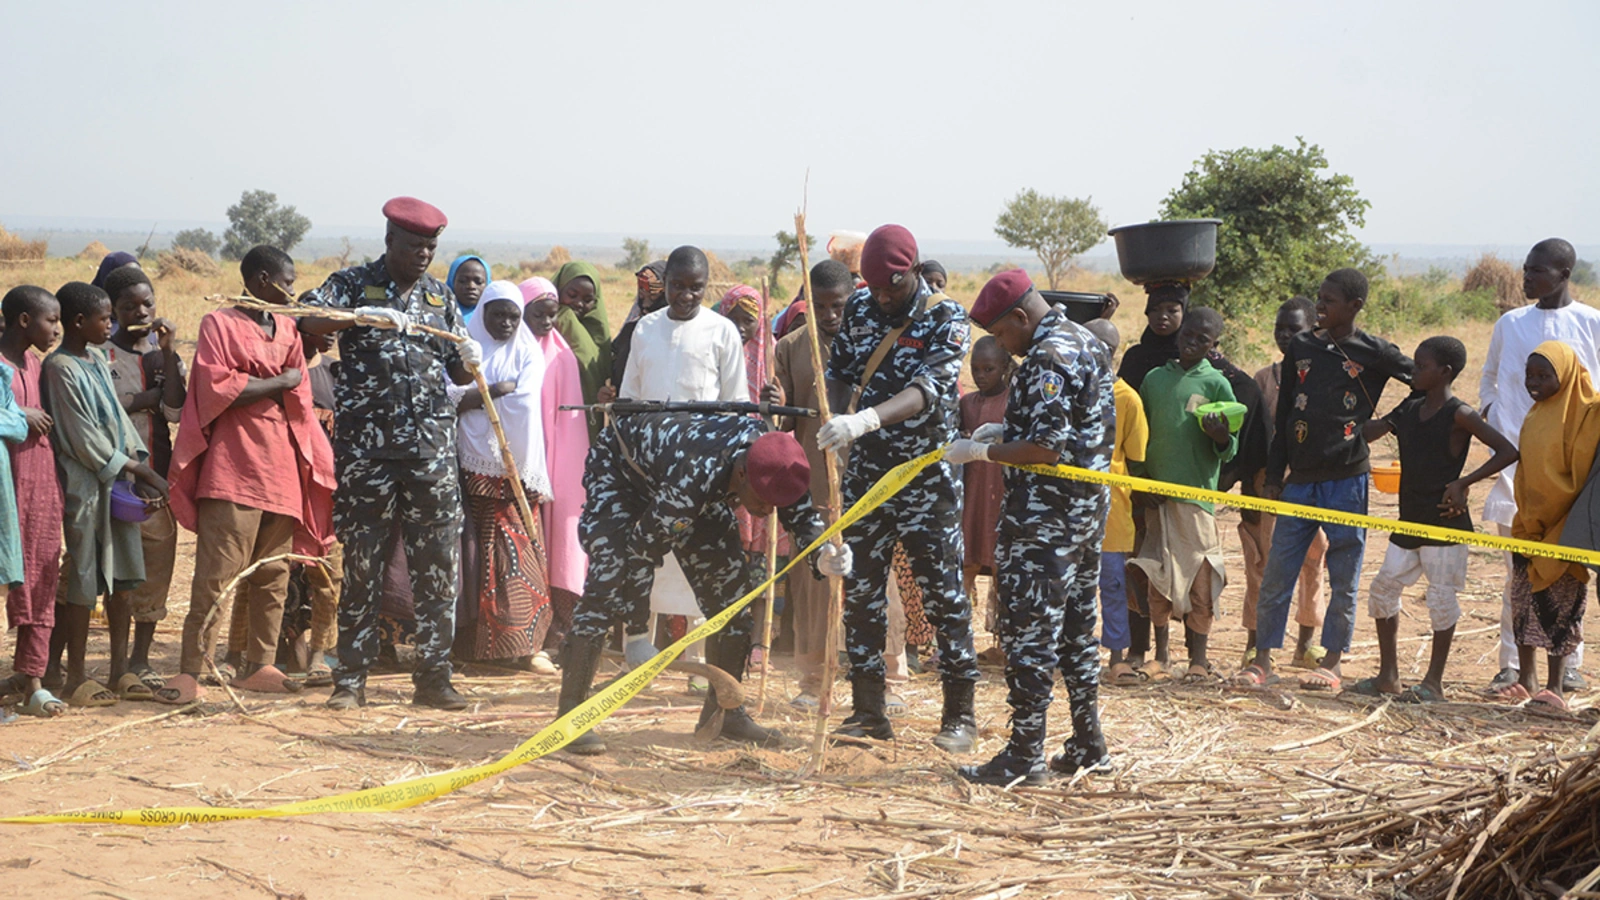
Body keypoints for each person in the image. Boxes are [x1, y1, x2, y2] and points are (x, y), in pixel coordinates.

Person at [552, 414, 851, 753]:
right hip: (622, 470)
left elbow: (802, 516)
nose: (768, 511)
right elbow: (641, 552)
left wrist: (823, 555)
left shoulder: (778, 461)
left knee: (733, 596)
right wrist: (636, 633)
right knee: (608, 579)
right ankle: (570, 717)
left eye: (774, 504)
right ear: (742, 475)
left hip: (695, 479)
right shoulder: (691, 482)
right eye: (761, 501)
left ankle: (725, 715)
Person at [298, 197, 485, 711]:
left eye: (430, 247)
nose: (423, 255)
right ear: (389, 241)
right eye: (414, 245)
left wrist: (470, 358)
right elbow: (307, 320)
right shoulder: (352, 284)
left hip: (430, 453)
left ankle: (434, 677)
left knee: (437, 566)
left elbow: (457, 371)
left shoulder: (439, 297)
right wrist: (355, 317)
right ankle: (350, 679)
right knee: (363, 563)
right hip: (368, 453)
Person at [817, 224, 979, 752]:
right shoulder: (861, 309)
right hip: (868, 474)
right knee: (861, 593)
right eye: (876, 290)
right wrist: (836, 415)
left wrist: (866, 419)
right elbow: (841, 371)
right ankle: (868, 711)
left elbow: (927, 390)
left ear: (912, 270)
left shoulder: (946, 317)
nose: (883, 299)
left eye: (892, 288)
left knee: (942, 596)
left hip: (926, 478)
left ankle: (960, 716)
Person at [950, 269, 1113, 783]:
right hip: (1085, 516)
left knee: (1030, 636)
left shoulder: (1046, 356)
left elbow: (1045, 448)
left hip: (1045, 521)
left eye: (1002, 334)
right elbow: (1074, 426)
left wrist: (983, 451)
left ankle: (1024, 755)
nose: (1003, 346)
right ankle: (1088, 742)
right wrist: (1008, 429)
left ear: (1021, 317)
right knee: (1078, 632)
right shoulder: (1085, 339)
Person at [158, 245, 336, 704]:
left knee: (273, 575)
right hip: (233, 468)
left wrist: (258, 384)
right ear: (261, 280)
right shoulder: (218, 324)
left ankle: (260, 664)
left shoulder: (287, 329)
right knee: (215, 577)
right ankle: (191, 669)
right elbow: (216, 387)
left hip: (282, 469)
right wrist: (276, 382)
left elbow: (298, 392)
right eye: (287, 282)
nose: (292, 292)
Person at [1235, 269, 1412, 692]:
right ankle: (1263, 661)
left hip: (1347, 479)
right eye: (1319, 298)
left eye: (1329, 301)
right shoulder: (1302, 346)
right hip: (1299, 479)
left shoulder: (1374, 351)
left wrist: (1387, 423)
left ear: (1355, 306)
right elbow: (1285, 415)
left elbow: (1425, 381)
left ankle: (1332, 662)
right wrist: (1274, 475)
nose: (1320, 306)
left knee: (1343, 574)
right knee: (1278, 571)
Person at [1353, 337, 1516, 702]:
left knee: (1441, 600)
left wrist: (1463, 483)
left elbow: (1507, 451)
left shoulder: (1460, 413)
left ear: (1444, 372)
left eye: (1421, 366)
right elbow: (1369, 433)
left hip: (1445, 521)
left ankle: (1433, 682)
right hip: (1409, 518)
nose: (1413, 371)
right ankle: (1388, 676)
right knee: (1382, 591)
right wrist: (1377, 412)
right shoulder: (1411, 408)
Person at [615, 247, 747, 672]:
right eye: (678, 286)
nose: (686, 296)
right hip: (649, 471)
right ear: (666, 283)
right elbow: (630, 399)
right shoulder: (645, 329)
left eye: (696, 288)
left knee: (701, 576)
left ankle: (700, 665)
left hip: (702, 476)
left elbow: (736, 406)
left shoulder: (722, 331)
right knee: (645, 563)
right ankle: (637, 658)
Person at [1479, 239, 1600, 693]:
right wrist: (1494, 415)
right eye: (1526, 270)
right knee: (1518, 572)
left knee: (1570, 571)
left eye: (1537, 271)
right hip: (1517, 465)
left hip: (1575, 474)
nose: (1527, 278)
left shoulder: (1592, 322)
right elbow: (1489, 377)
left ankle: (1568, 666)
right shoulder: (1510, 323)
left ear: (1564, 273)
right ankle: (1512, 664)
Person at [43, 282, 169, 709]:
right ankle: (76, 677)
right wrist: (137, 468)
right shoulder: (59, 368)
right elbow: (81, 438)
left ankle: (119, 670)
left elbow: (119, 419)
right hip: (85, 486)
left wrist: (137, 466)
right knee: (84, 575)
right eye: (105, 319)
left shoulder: (96, 358)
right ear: (79, 322)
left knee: (124, 577)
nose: (110, 326)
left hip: (117, 484)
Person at [1126, 309, 1237, 684]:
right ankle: (1161, 656)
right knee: (1158, 575)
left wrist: (1221, 437)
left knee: (1201, 578)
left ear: (1213, 345)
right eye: (1187, 334)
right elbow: (1139, 434)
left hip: (1196, 499)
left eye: (1202, 339)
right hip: (1156, 497)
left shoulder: (1217, 383)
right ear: (1179, 334)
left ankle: (1198, 660)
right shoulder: (1155, 379)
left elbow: (1230, 448)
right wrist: (1141, 481)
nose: (1192, 342)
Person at [450, 280, 552, 669]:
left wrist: (475, 399)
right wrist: (492, 391)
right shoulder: (466, 350)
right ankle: (470, 646)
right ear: (483, 315)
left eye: (513, 316)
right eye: (498, 315)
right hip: (470, 468)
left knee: (514, 555)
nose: (506, 323)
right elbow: (449, 396)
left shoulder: (528, 352)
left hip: (513, 473)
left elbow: (524, 404)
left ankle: (518, 644)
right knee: (473, 555)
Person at [100, 265, 186, 698]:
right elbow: (103, 412)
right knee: (119, 574)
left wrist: (168, 354)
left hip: (158, 480)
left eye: (147, 303)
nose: (141, 312)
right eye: (129, 306)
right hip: (113, 480)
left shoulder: (161, 358)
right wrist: (141, 399)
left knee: (155, 569)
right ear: (113, 310)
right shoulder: (100, 355)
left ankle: (141, 659)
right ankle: (118, 662)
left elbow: (174, 411)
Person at [771, 259, 853, 708]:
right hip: (815, 484)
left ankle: (884, 677)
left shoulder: (870, 342)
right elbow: (784, 420)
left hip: (865, 481)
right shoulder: (791, 346)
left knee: (872, 578)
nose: (830, 315)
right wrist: (775, 402)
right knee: (814, 579)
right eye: (820, 306)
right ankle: (812, 678)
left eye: (838, 306)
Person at [1503, 342, 1599, 711]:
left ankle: (1555, 687)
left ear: (1567, 375)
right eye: (1530, 375)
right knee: (1523, 602)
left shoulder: (1590, 413)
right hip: (1530, 523)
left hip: (1569, 523)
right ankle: (1527, 679)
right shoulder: (1536, 414)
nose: (1534, 382)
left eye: (1544, 375)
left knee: (1561, 607)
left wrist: (1562, 517)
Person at [1244, 298, 1328, 670]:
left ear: (1313, 330)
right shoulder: (1265, 378)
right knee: (1263, 562)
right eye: (1280, 329)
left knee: (1314, 558)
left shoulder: (1325, 376)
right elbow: (1253, 436)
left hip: (1311, 482)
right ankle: (1255, 643)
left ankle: (1306, 643)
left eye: (1294, 329)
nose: (1285, 336)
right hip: (1269, 484)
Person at [0, 287, 65, 716]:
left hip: (40, 483)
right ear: (24, 320)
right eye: (50, 320)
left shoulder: (38, 365)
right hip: (7, 483)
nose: (56, 330)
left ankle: (32, 678)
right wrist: (20, 415)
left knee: (42, 572)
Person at [718, 284, 790, 658]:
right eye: (735, 319)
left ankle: (760, 639)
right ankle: (726, 634)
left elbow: (784, 418)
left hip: (759, 468)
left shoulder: (772, 356)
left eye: (749, 321)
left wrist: (775, 403)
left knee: (761, 561)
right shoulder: (715, 349)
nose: (741, 328)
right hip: (726, 469)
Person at [522, 277, 588, 671]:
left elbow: (572, 427)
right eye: (538, 314)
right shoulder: (510, 350)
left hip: (556, 466)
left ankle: (558, 637)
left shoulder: (563, 358)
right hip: (516, 465)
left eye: (552, 315)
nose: (546, 323)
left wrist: (555, 475)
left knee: (561, 545)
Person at [1083, 318, 1146, 685]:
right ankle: (1076, 651)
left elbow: (1135, 455)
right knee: (1074, 586)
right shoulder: (1072, 389)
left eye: (1100, 348)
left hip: (1113, 508)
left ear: (1113, 353)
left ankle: (1118, 656)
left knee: (1113, 584)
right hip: (1072, 507)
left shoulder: (1128, 399)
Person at [959, 336, 1011, 658]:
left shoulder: (1014, 402)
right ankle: (959, 642)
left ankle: (1003, 644)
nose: (980, 375)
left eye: (988, 369)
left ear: (1004, 367)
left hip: (1001, 496)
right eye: (975, 369)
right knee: (966, 563)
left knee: (1003, 569)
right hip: (973, 495)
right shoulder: (967, 405)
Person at [552, 261, 612, 409]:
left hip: (590, 413)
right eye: (572, 295)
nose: (578, 303)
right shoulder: (542, 324)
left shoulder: (598, 331)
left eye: (587, 300)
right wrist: (565, 317)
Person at [611, 260, 667, 388]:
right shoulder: (631, 330)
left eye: (652, 296)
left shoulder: (675, 334)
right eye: (641, 295)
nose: (645, 303)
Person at [447, 254, 490, 322]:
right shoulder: (440, 314)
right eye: (463, 281)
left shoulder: (494, 317)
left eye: (478, 282)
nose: (471, 286)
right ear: (452, 282)